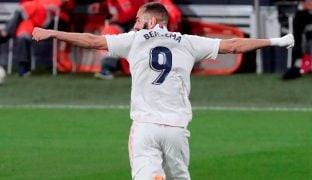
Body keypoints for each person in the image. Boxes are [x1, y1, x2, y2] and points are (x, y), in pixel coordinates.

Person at [32, 2, 294, 179]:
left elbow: (90, 41)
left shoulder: (133, 40)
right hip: (178, 130)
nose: (135, 25)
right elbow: (234, 45)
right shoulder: (188, 42)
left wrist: (52, 33)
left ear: (152, 20)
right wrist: (276, 41)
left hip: (146, 127)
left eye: (138, 20)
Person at [95, 0, 181, 79]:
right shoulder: (112, 1)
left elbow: (137, 12)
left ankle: (147, 69)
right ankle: (106, 68)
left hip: (140, 23)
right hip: (121, 24)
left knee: (139, 35)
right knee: (109, 31)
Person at [0, 0, 74, 77]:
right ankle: (24, 69)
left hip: (54, 17)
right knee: (24, 30)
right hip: (33, 17)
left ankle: (5, 33)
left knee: (28, 7)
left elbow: (66, 3)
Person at [283, 0, 312, 79]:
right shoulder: (302, 14)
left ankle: (297, 65)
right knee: (298, 40)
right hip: (310, 39)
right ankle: (297, 65)